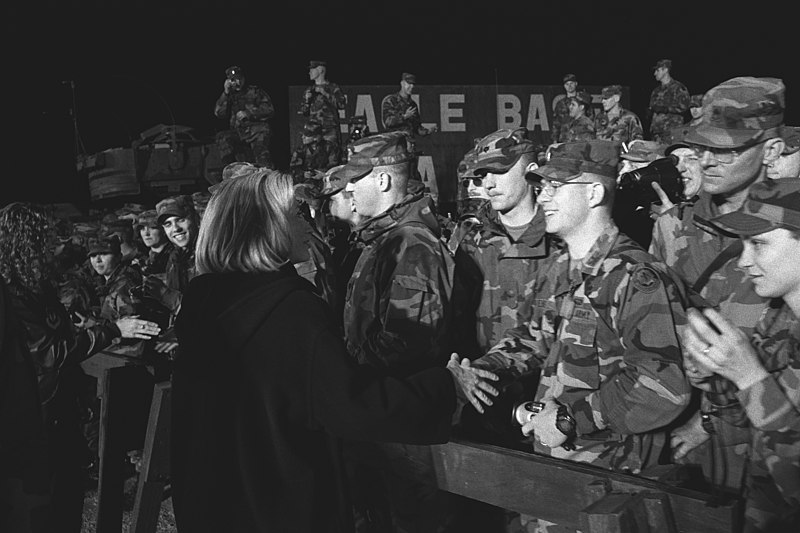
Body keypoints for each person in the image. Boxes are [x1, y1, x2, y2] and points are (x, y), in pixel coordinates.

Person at [170, 165, 498, 533]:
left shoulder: (203, 306)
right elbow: (353, 406)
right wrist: (444, 385)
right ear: (267, 226)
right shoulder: (288, 312)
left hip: (214, 505)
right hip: (281, 508)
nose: (307, 221)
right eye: (296, 212)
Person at [459, 140, 691, 532]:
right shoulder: (563, 267)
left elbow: (663, 385)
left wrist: (570, 418)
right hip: (558, 469)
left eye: (555, 186)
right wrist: (481, 369)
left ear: (595, 192)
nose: (543, 195)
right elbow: (537, 336)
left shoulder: (635, 277)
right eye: (541, 185)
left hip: (610, 482)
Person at [649, 76, 787, 495]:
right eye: (702, 145)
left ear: (773, 150)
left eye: (726, 148)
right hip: (680, 442)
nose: (706, 160)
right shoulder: (673, 227)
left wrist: (709, 421)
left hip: (772, 452)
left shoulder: (787, 236)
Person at [0, 202, 160, 533]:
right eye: (46, 240)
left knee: (66, 504)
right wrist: (114, 330)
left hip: (59, 413)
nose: (55, 249)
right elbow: (49, 353)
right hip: (36, 422)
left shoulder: (36, 286)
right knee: (41, 512)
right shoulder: (12, 295)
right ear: (25, 242)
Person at [340, 131, 460, 532]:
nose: (348, 188)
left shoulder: (413, 243)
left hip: (405, 423)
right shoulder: (386, 238)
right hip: (382, 415)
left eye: (356, 178)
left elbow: (408, 341)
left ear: (383, 180)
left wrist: (341, 371)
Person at [687, 178, 800, 532]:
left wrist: (750, 377)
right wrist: (717, 375)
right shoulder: (777, 319)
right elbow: (754, 426)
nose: (743, 261)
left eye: (759, 244)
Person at [452, 128, 554, 356]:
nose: (488, 184)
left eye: (499, 171)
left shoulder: (559, 240)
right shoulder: (472, 241)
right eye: (483, 174)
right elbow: (457, 323)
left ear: (532, 173)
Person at [213, 65, 275, 168]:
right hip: (239, 132)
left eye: (239, 79)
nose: (237, 82)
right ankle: (231, 171)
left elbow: (269, 109)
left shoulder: (255, 91)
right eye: (233, 80)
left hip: (256, 131)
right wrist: (226, 93)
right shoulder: (229, 95)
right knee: (222, 137)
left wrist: (249, 113)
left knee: (261, 153)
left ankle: (267, 174)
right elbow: (219, 113)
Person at [299, 60, 347, 167]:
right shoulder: (309, 90)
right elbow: (304, 112)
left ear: (320, 70)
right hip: (314, 131)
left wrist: (324, 93)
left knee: (333, 156)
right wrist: (307, 100)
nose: (309, 72)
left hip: (329, 129)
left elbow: (341, 104)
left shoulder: (333, 87)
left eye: (312, 69)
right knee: (312, 156)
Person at [648, 59, 690, 144]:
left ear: (665, 70)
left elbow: (685, 107)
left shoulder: (678, 88)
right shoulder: (656, 91)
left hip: (671, 132)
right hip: (656, 132)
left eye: (657, 70)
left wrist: (666, 109)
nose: (655, 73)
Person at [132, 209, 172, 278]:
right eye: (142, 228)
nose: (146, 233)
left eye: (152, 228)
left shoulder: (174, 257)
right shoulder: (141, 258)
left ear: (163, 230)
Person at [551, 73, 579, 144]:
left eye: (571, 83)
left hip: (579, 138)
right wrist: (555, 140)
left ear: (576, 84)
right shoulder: (560, 104)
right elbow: (556, 123)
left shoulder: (582, 102)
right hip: (564, 139)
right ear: (564, 86)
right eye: (567, 84)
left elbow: (590, 119)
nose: (569, 86)